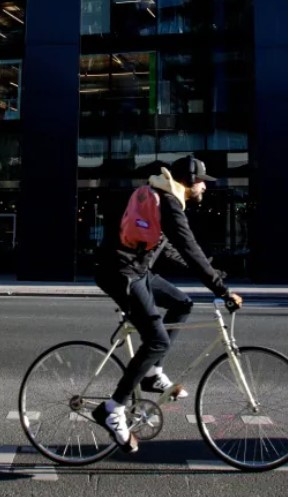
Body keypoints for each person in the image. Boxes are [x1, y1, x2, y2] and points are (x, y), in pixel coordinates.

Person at [93, 155, 243, 453]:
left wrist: (214, 272)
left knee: (182, 303)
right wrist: (221, 289)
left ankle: (151, 374)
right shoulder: (169, 203)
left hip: (136, 271)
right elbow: (189, 249)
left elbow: (171, 249)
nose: (205, 187)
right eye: (202, 182)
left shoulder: (160, 196)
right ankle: (112, 409)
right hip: (120, 273)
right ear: (189, 181)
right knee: (157, 340)